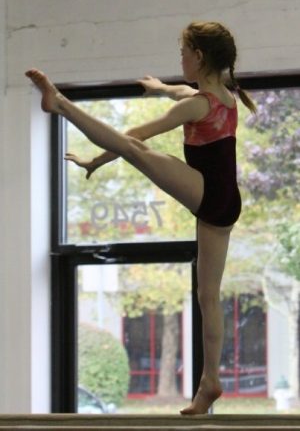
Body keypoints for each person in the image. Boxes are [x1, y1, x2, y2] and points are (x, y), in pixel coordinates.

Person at [26, 21, 256, 414]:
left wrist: (96, 160)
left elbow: (136, 135)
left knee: (134, 149)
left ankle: (60, 103)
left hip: (211, 196)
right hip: (224, 203)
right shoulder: (223, 96)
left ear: (198, 57)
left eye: (183, 52)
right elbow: (186, 91)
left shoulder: (197, 104)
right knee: (208, 297)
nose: (179, 58)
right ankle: (210, 382)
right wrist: (162, 88)